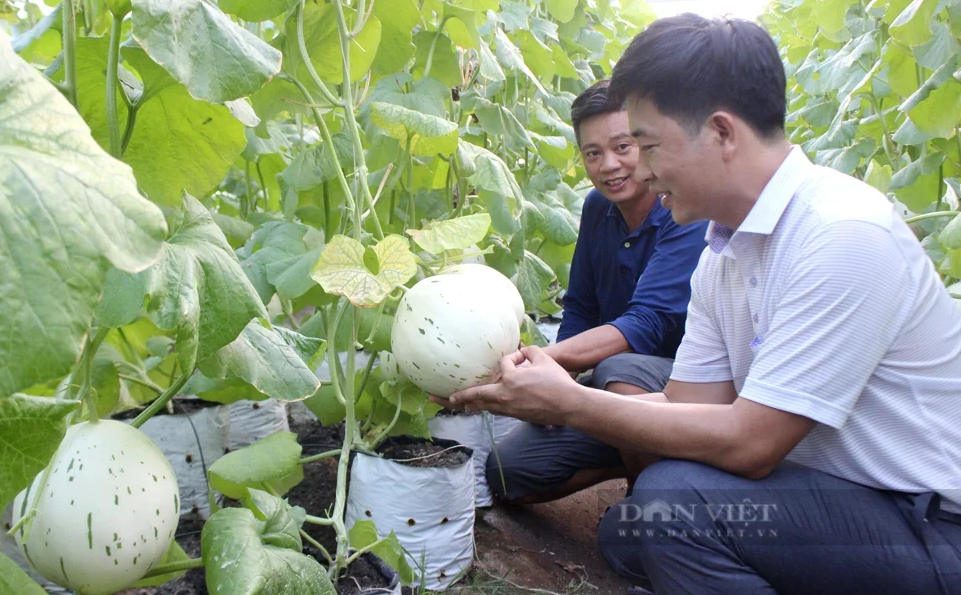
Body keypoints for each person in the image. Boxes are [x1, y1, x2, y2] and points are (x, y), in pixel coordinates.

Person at [441, 13, 961, 595]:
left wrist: (570, 404)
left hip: (925, 521)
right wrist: (534, 394)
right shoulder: (725, 249)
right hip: (826, 494)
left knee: (674, 509)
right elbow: (682, 405)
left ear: (720, 132)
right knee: (632, 532)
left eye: (646, 144)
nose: (639, 165)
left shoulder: (842, 233)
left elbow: (752, 443)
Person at [488, 79, 709, 505]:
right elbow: (581, 307)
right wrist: (560, 380)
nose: (609, 165)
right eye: (593, 153)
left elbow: (646, 323)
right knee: (509, 474)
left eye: (622, 147)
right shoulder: (596, 207)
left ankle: (657, 503)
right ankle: (633, 459)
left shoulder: (685, 210)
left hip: (686, 388)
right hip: (613, 392)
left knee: (619, 370)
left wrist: (543, 361)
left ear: (645, 144)